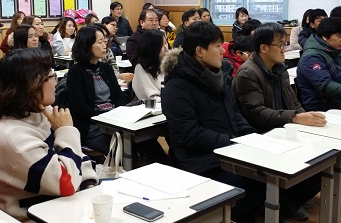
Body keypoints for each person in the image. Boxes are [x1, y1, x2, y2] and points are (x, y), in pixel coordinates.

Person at [161, 21, 264, 222]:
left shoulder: (219, 76)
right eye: (217, 46)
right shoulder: (177, 87)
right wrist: (233, 141)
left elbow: (234, 113)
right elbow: (188, 134)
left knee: (265, 178)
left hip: (228, 152)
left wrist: (251, 137)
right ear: (200, 51)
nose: (222, 52)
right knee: (252, 185)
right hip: (202, 162)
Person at [0, 48, 97, 221]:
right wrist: (66, 131)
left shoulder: (42, 112)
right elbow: (65, 183)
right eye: (50, 77)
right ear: (31, 85)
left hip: (63, 204)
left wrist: (88, 184)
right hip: (36, 215)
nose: (55, 81)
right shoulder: (13, 138)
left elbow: (78, 156)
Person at [233, 22, 326, 221]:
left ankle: (288, 197)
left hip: (283, 127)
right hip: (261, 133)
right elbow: (256, 113)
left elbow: (292, 101)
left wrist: (306, 120)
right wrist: (294, 117)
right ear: (263, 48)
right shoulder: (248, 73)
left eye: (285, 44)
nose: (285, 49)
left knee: (325, 160)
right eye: (281, 45)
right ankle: (285, 200)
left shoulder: (280, 69)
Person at [67, 26, 168, 164]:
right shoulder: (75, 72)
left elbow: (118, 97)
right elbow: (80, 107)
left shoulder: (105, 68)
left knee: (146, 139)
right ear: (87, 45)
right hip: (94, 126)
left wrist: (120, 114)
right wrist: (105, 118)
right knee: (126, 148)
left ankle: (167, 172)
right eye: (100, 42)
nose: (105, 45)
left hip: (116, 121)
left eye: (105, 40)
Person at [131, 30, 168, 101]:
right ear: (152, 47)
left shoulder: (170, 64)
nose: (166, 47)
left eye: (166, 43)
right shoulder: (141, 67)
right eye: (161, 45)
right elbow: (150, 97)